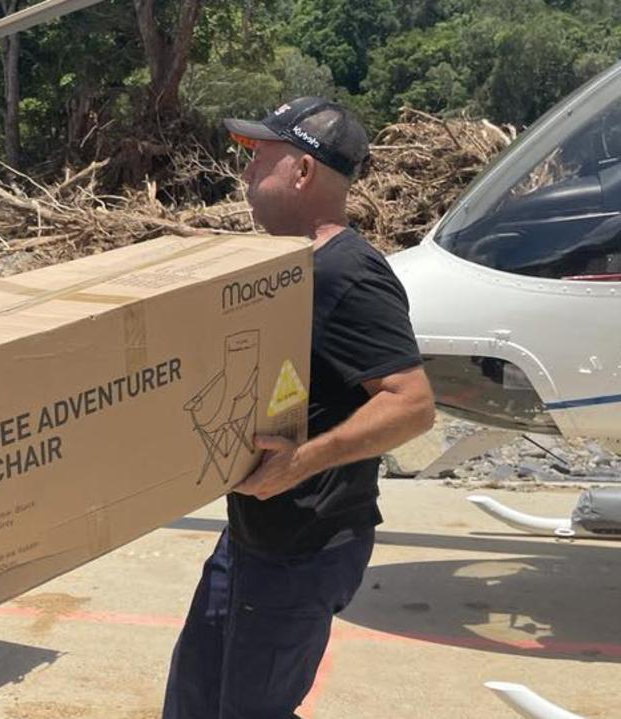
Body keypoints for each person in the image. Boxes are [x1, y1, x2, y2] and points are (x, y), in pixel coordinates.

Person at [162, 97, 436, 719]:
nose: (247, 175)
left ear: (303, 172)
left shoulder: (349, 273)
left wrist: (302, 461)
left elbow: (412, 404)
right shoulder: (287, 270)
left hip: (305, 546)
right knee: (193, 701)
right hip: (253, 537)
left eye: (261, 159)